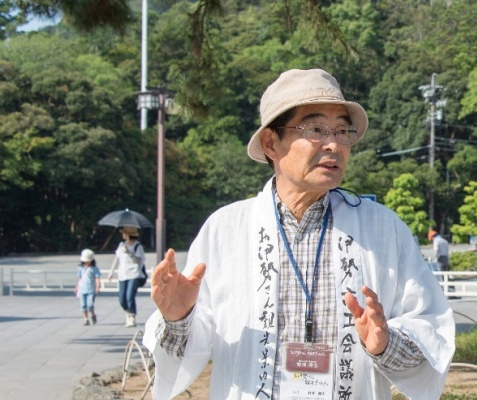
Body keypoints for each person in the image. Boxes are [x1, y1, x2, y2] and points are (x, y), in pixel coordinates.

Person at [143, 68, 455, 400]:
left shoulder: (382, 229)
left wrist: (384, 343)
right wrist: (178, 318)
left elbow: (430, 329)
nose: (334, 144)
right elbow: (192, 347)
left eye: (342, 131)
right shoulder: (226, 229)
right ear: (270, 142)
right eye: (316, 129)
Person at [110, 225, 145, 327]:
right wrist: (111, 272)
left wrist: (129, 253)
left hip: (134, 274)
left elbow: (139, 261)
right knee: (122, 298)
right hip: (122, 274)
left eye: (124, 233)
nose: (123, 235)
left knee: (129, 296)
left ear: (129, 234)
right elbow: (117, 259)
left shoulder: (138, 246)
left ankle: (132, 316)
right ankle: (128, 312)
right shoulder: (121, 245)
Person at [76, 249, 101, 326]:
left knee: (90, 304)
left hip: (91, 289)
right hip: (82, 289)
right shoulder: (81, 268)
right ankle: (86, 319)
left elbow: (97, 278)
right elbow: (80, 278)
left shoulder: (94, 268)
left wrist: (98, 286)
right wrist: (77, 287)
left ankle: (93, 314)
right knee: (83, 305)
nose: (86, 262)